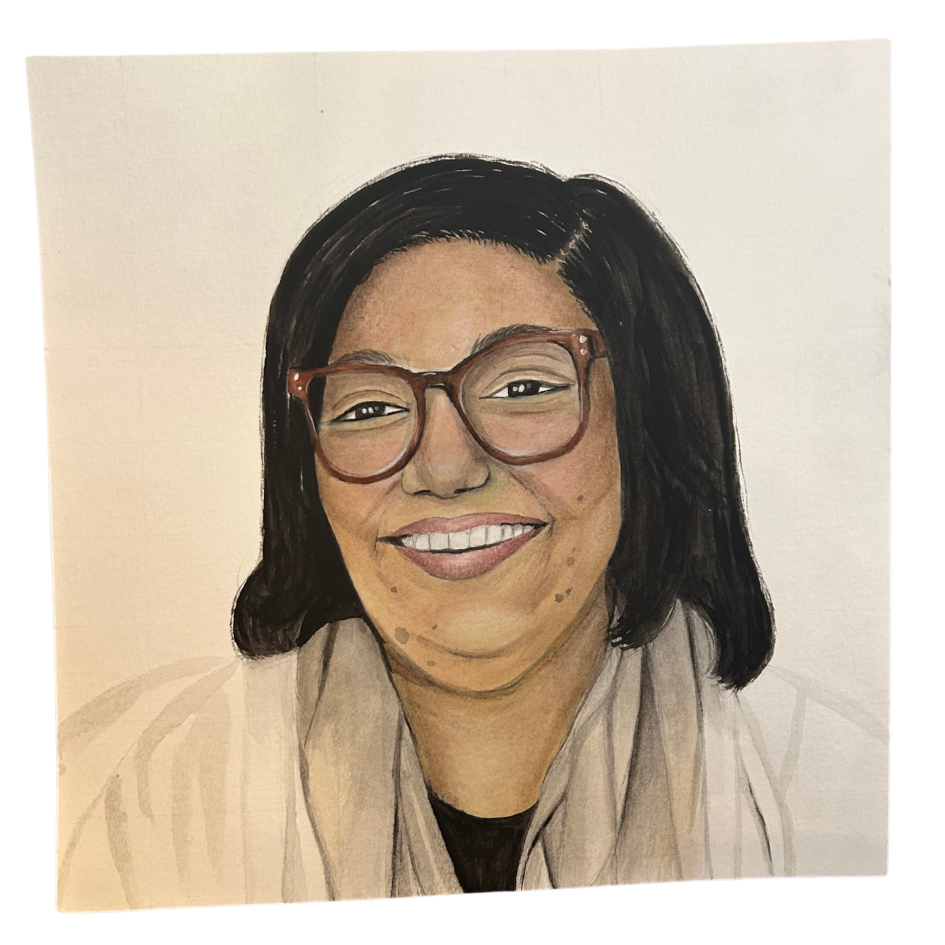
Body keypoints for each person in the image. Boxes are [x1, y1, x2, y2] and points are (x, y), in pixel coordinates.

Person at [59, 156, 802, 910]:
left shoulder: (803, 774)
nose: (445, 467)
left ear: (649, 422)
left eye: (522, 386)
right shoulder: (146, 795)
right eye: (369, 407)